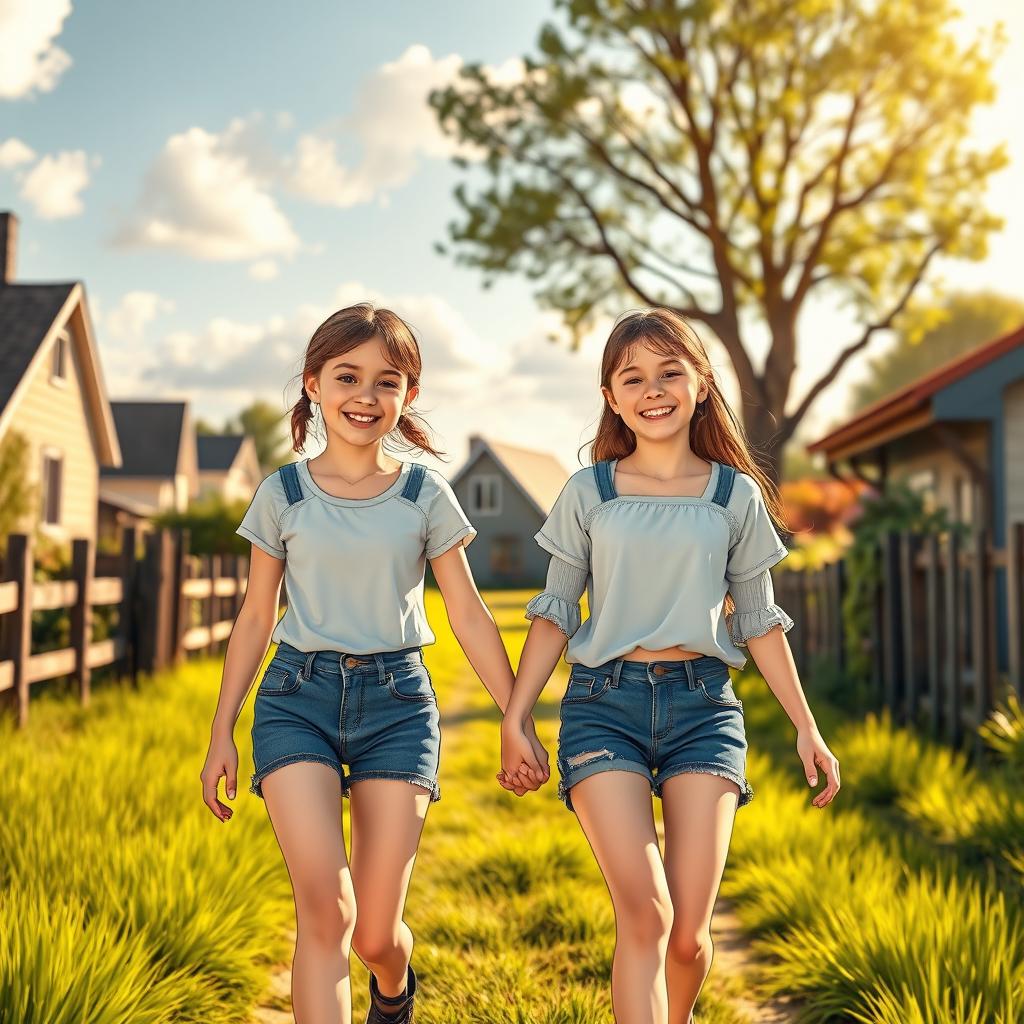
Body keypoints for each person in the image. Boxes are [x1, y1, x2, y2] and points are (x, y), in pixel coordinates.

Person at [200, 303, 547, 1024]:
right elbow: (257, 617)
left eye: (385, 382)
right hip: (296, 698)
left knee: (374, 934)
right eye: (347, 377)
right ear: (313, 385)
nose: (365, 395)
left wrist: (516, 718)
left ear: (408, 396)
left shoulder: (425, 495)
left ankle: (394, 987)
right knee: (325, 913)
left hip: (398, 705)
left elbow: (469, 614)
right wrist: (220, 731)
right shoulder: (282, 493)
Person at [499, 307, 841, 1024]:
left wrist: (807, 727)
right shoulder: (588, 491)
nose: (652, 389)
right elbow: (556, 609)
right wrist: (516, 715)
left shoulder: (733, 495)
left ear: (701, 383)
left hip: (703, 711)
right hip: (603, 705)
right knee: (647, 916)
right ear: (612, 398)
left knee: (687, 937)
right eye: (633, 377)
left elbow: (758, 621)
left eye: (669, 372)